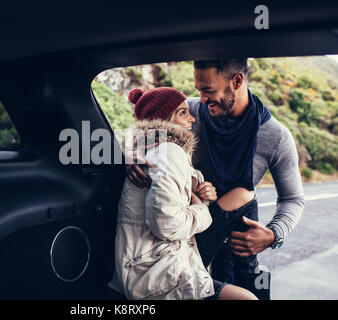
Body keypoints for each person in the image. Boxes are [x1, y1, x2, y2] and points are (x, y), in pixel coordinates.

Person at [126, 59, 305, 300]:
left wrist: (273, 234)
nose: (200, 99)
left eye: (208, 90)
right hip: (187, 230)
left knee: (237, 269)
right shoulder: (189, 114)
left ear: (237, 81)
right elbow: (150, 124)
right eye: (199, 90)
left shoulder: (276, 137)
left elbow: (293, 199)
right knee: (246, 198)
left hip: (233, 236)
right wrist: (134, 150)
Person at [108, 87, 257, 300]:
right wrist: (201, 210)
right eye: (182, 113)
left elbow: (171, 194)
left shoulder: (158, 149)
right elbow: (166, 224)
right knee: (248, 298)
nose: (192, 119)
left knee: (244, 196)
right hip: (156, 270)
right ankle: (248, 279)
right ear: (164, 119)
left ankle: (233, 279)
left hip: (156, 255)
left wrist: (202, 191)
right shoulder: (169, 151)